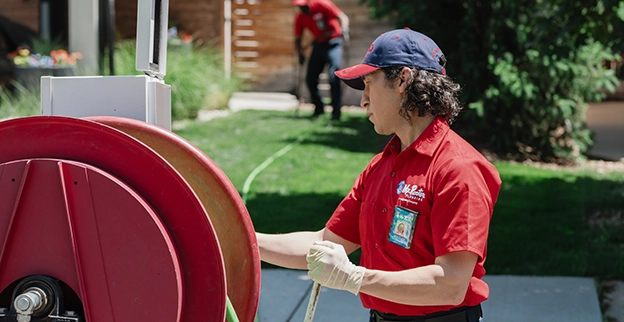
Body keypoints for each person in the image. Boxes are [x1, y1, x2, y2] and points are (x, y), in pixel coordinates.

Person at [256, 28, 501, 322]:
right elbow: (325, 243)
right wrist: (245, 240)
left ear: (403, 80)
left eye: (369, 84)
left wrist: (355, 277)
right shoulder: (381, 166)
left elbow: (450, 284)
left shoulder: (458, 168)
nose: (363, 101)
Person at [292, 0, 349, 122]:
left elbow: (342, 17)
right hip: (318, 45)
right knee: (310, 79)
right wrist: (300, 54)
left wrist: (344, 29)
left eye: (304, 6)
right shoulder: (300, 17)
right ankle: (319, 108)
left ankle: (336, 112)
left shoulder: (322, 4)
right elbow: (297, 38)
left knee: (334, 76)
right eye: (299, 7)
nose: (302, 9)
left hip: (333, 42)